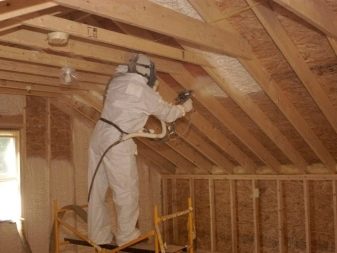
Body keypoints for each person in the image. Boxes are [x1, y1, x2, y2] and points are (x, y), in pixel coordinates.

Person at [87, 53, 193, 246]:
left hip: (99, 136)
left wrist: (151, 93)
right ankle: (126, 237)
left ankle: (97, 235)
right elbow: (168, 114)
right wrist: (184, 108)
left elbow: (129, 106)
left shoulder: (116, 82)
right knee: (125, 191)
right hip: (117, 142)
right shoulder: (141, 90)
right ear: (147, 71)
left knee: (96, 189)